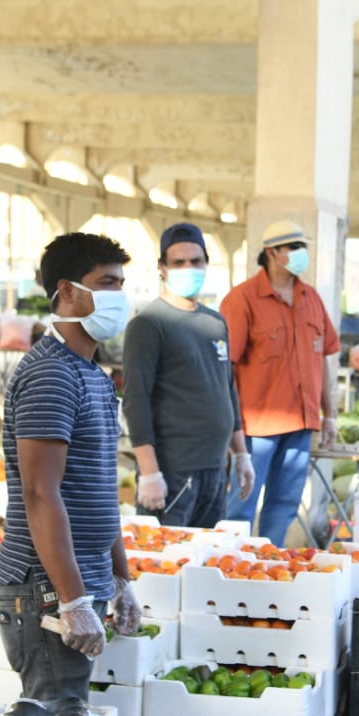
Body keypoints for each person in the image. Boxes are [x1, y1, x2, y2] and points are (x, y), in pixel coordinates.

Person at [0, 232, 142, 701]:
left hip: (78, 579)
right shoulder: (51, 373)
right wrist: (72, 600)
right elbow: (41, 493)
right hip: (46, 588)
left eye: (121, 284)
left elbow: (98, 488)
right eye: (107, 283)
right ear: (68, 291)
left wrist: (120, 577)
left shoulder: (93, 376)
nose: (119, 296)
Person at [122, 223, 256, 529]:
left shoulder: (215, 323)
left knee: (208, 554)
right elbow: (136, 401)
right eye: (178, 262)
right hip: (173, 472)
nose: (188, 268)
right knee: (168, 554)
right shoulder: (149, 324)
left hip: (215, 468)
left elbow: (227, 389)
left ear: (206, 263)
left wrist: (241, 454)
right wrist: (150, 472)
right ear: (162, 267)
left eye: (195, 261)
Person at [221, 220, 341, 545]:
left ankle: (268, 562)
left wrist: (329, 414)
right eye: (294, 247)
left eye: (303, 247)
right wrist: (232, 428)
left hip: (301, 424)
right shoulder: (242, 299)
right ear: (272, 252)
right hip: (256, 428)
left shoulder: (311, 298)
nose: (301, 253)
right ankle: (231, 561)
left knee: (285, 505)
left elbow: (322, 358)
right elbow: (225, 368)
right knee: (242, 503)